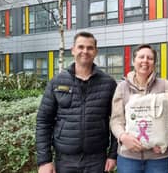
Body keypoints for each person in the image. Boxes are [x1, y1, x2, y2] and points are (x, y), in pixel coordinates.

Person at [36, 31, 117, 173]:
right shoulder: (57, 82)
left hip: (97, 160)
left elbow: (118, 121)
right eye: (81, 47)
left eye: (90, 48)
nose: (85, 51)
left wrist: (113, 155)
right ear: (73, 50)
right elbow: (43, 121)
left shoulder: (108, 83)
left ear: (95, 52)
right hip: (65, 160)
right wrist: (45, 160)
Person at [110, 44, 168, 173]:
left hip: (159, 158)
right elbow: (116, 120)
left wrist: (166, 142)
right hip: (129, 159)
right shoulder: (122, 87)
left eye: (150, 58)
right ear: (133, 61)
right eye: (141, 57)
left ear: (154, 63)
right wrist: (123, 137)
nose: (145, 61)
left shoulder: (165, 86)